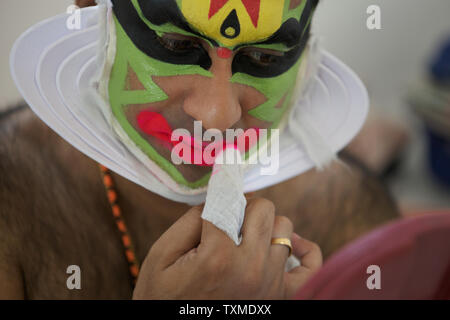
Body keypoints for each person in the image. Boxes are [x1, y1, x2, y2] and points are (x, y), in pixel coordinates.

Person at [0, 0, 399, 299]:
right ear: (91, 7)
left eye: (264, 57)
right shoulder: (13, 201)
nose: (217, 116)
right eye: (176, 45)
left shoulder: (350, 217)